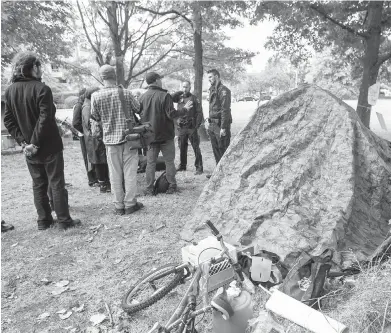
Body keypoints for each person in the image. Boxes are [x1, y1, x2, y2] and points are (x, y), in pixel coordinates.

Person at [4, 52, 81, 230]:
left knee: (38, 184)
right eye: (39, 66)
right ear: (33, 68)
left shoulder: (10, 90)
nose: (41, 70)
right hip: (47, 145)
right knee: (55, 182)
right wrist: (32, 143)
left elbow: (9, 120)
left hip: (30, 148)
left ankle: (44, 221)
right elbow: (45, 118)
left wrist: (25, 143)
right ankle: (63, 220)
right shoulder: (41, 88)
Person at [91, 65, 143, 215]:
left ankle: (119, 206)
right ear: (115, 76)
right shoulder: (126, 93)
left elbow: (95, 117)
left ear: (102, 78)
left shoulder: (96, 96)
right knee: (130, 172)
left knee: (114, 174)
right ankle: (130, 204)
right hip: (129, 139)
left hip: (110, 141)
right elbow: (138, 108)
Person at [139, 72, 193, 195]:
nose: (161, 81)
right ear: (157, 80)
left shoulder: (142, 97)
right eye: (160, 79)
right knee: (169, 162)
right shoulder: (165, 96)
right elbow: (172, 114)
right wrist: (185, 109)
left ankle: (149, 188)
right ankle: (172, 186)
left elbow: (139, 115)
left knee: (150, 163)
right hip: (165, 136)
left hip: (150, 137)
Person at [82, 87, 111, 193]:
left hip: (95, 138)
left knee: (102, 161)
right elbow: (91, 124)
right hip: (94, 139)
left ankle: (106, 182)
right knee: (99, 162)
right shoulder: (88, 107)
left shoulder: (89, 105)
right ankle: (103, 184)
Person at [172, 80, 203, 175]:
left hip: (191, 126)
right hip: (182, 127)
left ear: (190, 87)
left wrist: (196, 126)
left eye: (186, 87)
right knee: (182, 146)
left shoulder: (194, 98)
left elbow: (199, 113)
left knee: (195, 147)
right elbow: (170, 98)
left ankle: (199, 167)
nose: (184, 89)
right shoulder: (178, 98)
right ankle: (182, 165)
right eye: (183, 87)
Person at [205, 69, 232, 167]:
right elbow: (214, 108)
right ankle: (217, 173)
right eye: (208, 77)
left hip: (220, 124)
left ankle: (225, 174)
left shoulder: (223, 90)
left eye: (210, 77)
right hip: (212, 124)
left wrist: (223, 127)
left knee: (223, 149)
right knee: (215, 149)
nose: (209, 79)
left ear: (216, 76)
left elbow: (225, 110)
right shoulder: (212, 89)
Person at [72, 88, 98, 186]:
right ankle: (91, 180)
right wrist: (85, 131)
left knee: (92, 156)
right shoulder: (79, 105)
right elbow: (75, 122)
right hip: (84, 136)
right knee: (88, 158)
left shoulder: (82, 104)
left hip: (87, 135)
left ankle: (95, 177)